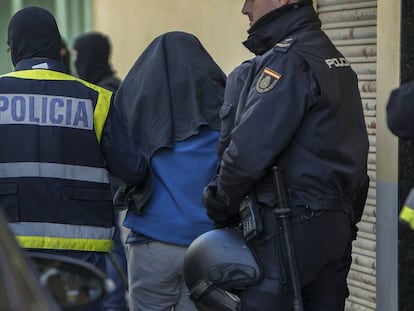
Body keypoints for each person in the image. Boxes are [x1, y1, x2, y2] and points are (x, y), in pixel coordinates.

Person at [200, 0, 370, 310]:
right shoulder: (331, 57)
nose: (245, 8)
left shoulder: (288, 61)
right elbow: (357, 151)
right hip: (334, 223)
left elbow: (248, 152)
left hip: (290, 224)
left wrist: (221, 202)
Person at [0, 7, 147, 311]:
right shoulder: (97, 99)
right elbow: (132, 170)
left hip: (9, 251)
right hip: (81, 254)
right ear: (58, 48)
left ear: (14, 48)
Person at [113, 31, 226, 311]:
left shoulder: (140, 119)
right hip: (208, 246)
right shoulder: (223, 117)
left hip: (152, 242)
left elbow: (124, 168)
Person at [73, 31, 128, 311]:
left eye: (78, 55)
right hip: (106, 187)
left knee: (114, 253)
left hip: (113, 190)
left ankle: (115, 305)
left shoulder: (107, 91)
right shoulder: (103, 87)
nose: (76, 62)